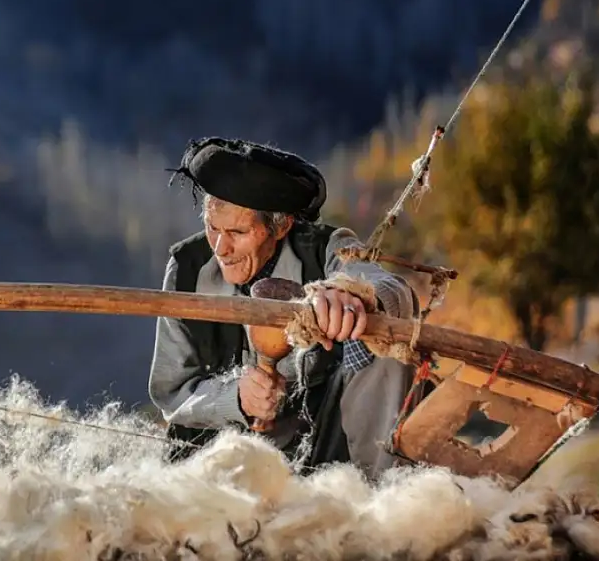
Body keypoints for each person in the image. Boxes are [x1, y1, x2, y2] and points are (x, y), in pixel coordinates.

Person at [148, 136, 420, 479]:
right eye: (212, 227)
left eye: (237, 231)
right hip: (217, 465)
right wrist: (236, 399)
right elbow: (170, 393)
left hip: (322, 454)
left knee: (385, 344)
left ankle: (376, 495)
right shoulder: (186, 269)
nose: (221, 247)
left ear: (280, 226)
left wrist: (348, 293)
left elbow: (394, 290)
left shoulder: (324, 249)